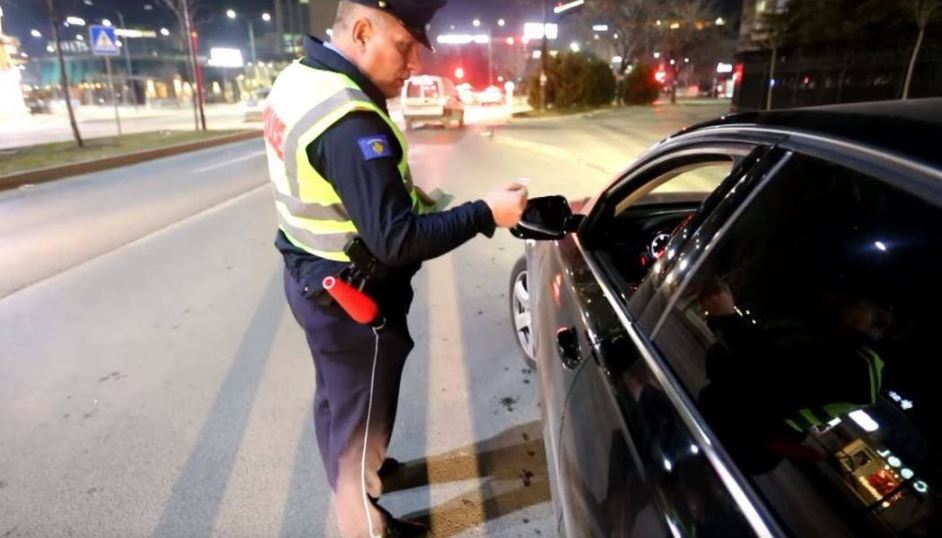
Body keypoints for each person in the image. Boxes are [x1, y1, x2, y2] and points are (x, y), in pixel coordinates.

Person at [262, 1, 528, 536]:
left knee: (337, 400)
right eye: (405, 47)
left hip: (311, 276)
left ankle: (366, 472)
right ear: (362, 32)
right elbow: (397, 241)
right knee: (362, 420)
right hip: (352, 301)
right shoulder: (350, 120)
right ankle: (363, 519)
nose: (413, 66)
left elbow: (359, 195)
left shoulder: (301, 78)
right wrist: (486, 214)